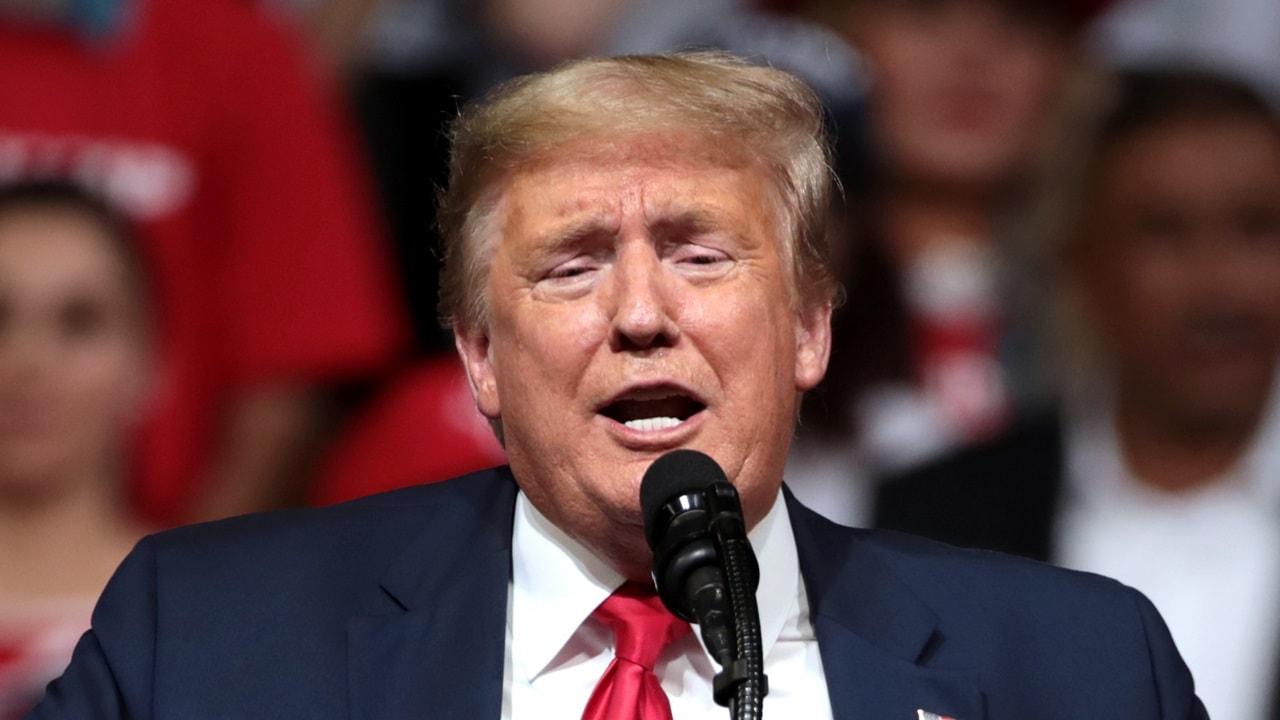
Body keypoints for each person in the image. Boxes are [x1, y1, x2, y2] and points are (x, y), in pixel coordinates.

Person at [28, 52, 1206, 719]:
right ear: (479, 355)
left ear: (807, 327)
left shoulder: (1079, 669)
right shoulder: (208, 646)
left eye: (700, 255)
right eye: (570, 266)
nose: (641, 315)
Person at [876, 67, 1280, 719]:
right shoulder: (936, 522)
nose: (1219, 288)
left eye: (1259, 228)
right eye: (1164, 232)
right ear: (1081, 260)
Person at [0, 0, 407, 526]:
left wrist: (183, 582)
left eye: (79, 322)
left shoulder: (237, 47)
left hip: (167, 538)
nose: (30, 361)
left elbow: (294, 362)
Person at [785, 0, 1109, 526]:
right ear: (830, 36)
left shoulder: (1132, 304)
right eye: (924, 12)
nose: (973, 56)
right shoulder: (748, 291)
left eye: (1020, 20)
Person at [0, 181, 154, 719]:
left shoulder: (205, 615)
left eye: (80, 320)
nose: (28, 361)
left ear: (149, 363)